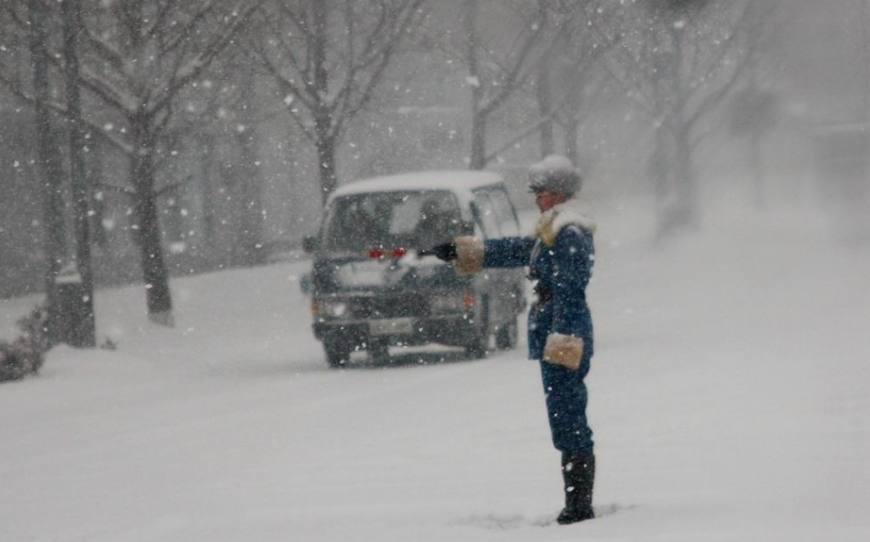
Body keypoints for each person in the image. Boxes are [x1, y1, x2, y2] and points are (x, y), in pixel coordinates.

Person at [429, 154, 597, 524]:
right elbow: (520, 250)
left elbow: (570, 292)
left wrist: (563, 342)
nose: (536, 198)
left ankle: (579, 505)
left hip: (563, 337)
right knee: (564, 416)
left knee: (568, 417)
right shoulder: (553, 229)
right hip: (557, 333)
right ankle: (577, 500)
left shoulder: (568, 233)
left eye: (542, 192)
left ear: (559, 193)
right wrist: (463, 250)